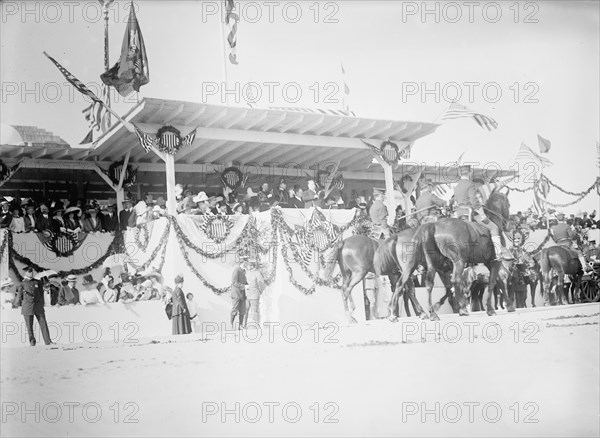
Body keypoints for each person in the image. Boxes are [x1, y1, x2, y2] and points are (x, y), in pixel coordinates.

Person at [453, 166, 513, 261]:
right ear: (469, 173)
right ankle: (499, 253)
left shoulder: (457, 187)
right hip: (471, 214)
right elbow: (474, 202)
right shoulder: (470, 184)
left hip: (459, 214)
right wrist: (483, 215)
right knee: (494, 228)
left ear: (460, 174)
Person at [16, 267, 53, 346]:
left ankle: (48, 341)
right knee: (29, 326)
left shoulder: (37, 282)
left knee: (43, 323)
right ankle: (32, 342)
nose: (31, 273)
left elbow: (40, 292)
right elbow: (19, 295)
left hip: (38, 306)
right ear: (25, 273)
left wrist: (41, 303)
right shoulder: (22, 284)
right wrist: (16, 304)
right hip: (27, 306)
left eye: (31, 271)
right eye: (29, 272)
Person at [244, 261, 266, 327]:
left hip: (254, 295)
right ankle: (244, 325)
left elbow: (262, 284)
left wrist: (259, 292)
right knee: (245, 310)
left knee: (255, 311)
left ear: (252, 266)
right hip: (247, 295)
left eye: (249, 265)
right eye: (248, 265)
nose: (248, 266)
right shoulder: (247, 273)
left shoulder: (257, 273)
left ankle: (257, 325)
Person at [230, 257, 248, 330]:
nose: (246, 264)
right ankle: (231, 324)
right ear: (242, 263)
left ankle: (240, 325)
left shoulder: (243, 271)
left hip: (242, 294)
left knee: (243, 310)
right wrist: (244, 286)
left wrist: (248, 286)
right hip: (236, 294)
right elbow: (234, 282)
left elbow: (245, 282)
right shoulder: (236, 270)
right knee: (235, 309)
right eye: (245, 262)